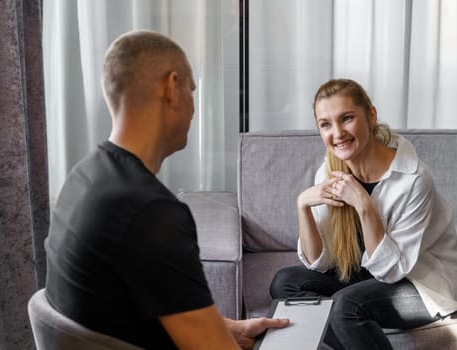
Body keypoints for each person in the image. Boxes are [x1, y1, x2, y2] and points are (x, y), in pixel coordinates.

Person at [44, 30, 289, 350]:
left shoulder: (84, 179)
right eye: (192, 91)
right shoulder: (150, 212)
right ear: (171, 88)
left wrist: (228, 328)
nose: (193, 108)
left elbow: (122, 308)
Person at [269, 79, 457, 350]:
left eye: (346, 118)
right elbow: (320, 264)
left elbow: (392, 271)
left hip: (418, 280)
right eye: (325, 124)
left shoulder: (414, 179)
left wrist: (364, 205)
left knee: (347, 306)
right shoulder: (330, 170)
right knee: (285, 284)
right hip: (366, 272)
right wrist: (302, 206)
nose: (337, 133)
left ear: (371, 115)